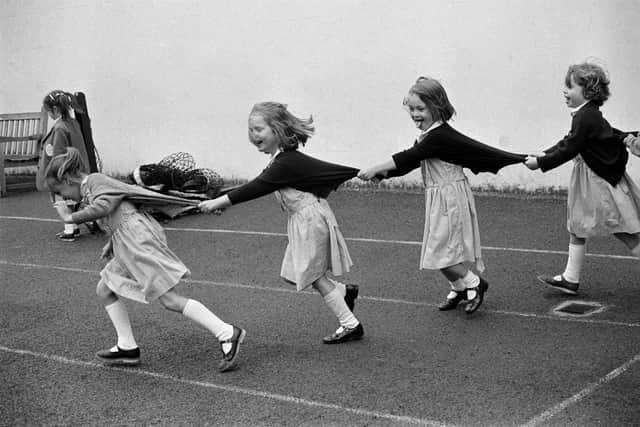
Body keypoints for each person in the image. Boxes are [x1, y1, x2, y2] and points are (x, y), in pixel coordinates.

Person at [45, 148, 245, 372]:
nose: (65, 198)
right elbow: (121, 209)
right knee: (105, 288)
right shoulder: (93, 186)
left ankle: (227, 332)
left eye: (60, 192)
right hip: (127, 242)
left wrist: (69, 217)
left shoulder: (95, 181)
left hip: (137, 242)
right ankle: (127, 346)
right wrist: (111, 243)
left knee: (169, 300)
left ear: (67, 178)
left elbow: (105, 207)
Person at [199, 102, 363, 344]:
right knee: (295, 274)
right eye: (250, 130)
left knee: (314, 276)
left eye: (258, 129)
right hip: (302, 220)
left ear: (277, 130)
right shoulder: (281, 161)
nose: (253, 135)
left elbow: (257, 187)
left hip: (310, 220)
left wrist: (220, 202)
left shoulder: (285, 162)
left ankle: (350, 324)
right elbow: (259, 182)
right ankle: (343, 292)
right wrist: (221, 200)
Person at [358, 77, 526, 314]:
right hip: (439, 197)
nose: (415, 114)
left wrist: (376, 167)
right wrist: (384, 175)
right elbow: (413, 161)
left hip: (450, 198)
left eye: (421, 109)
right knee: (436, 249)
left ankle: (475, 283)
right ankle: (458, 287)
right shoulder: (428, 135)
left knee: (440, 251)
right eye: (412, 109)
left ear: (436, 107)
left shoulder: (439, 136)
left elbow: (409, 156)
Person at [525, 62, 640, 295]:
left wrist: (541, 163)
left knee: (623, 230)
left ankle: (570, 277)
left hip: (598, 182)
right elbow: (568, 141)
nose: (565, 91)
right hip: (590, 180)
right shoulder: (587, 115)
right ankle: (570, 278)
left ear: (588, 91)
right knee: (577, 226)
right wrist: (545, 154)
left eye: (570, 86)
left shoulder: (585, 117)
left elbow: (570, 148)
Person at [36, 90, 91, 241]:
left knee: (60, 201)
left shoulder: (60, 127)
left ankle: (69, 229)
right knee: (71, 200)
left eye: (48, 111)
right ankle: (73, 227)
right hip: (76, 170)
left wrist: (54, 174)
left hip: (63, 172)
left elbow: (59, 155)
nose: (49, 114)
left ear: (55, 109)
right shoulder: (72, 123)